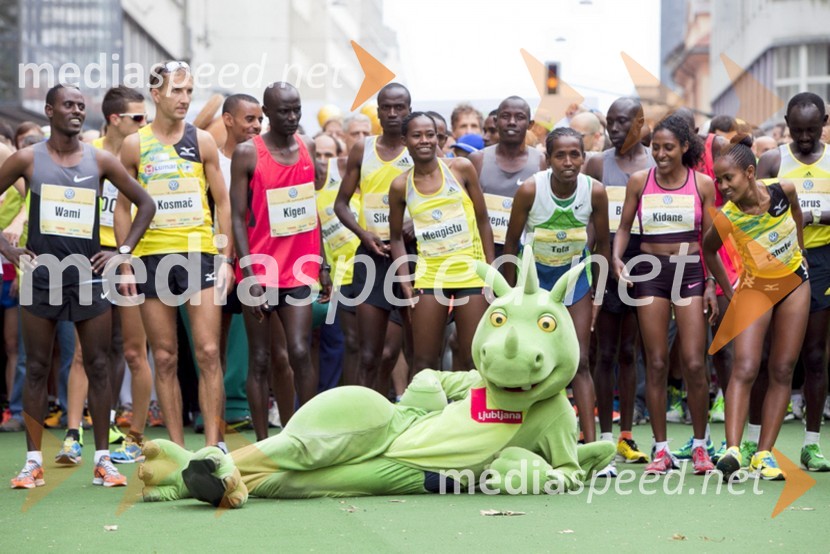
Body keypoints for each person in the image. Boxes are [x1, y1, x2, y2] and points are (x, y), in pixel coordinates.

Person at [3, 84, 155, 489]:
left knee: (99, 365)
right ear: (49, 111)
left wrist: (122, 250)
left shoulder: (101, 159)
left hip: (88, 277)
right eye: (68, 105)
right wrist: (9, 250)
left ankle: (103, 460)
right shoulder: (26, 159)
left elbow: (146, 203)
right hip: (42, 277)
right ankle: (33, 461)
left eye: (80, 106)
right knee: (37, 367)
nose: (75, 111)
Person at [118, 61, 234, 449]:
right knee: (165, 357)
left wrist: (225, 258)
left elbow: (222, 201)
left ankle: (214, 446)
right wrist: (125, 259)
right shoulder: (135, 144)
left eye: (189, 91)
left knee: (209, 350)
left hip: (199, 254)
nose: (185, 99)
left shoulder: (202, 141)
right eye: (176, 91)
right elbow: (121, 207)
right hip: (152, 259)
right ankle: (176, 450)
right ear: (156, 94)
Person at [613, 112, 718, 475]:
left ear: (685, 147)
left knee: (692, 361)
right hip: (651, 274)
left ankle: (701, 447)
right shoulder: (639, 182)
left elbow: (712, 242)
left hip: (689, 271)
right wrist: (615, 258)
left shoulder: (702, 184)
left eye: (668, 148)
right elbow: (624, 228)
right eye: (655, 147)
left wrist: (710, 284)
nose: (660, 154)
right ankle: (661, 450)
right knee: (655, 362)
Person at [58, 85, 154, 465]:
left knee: (133, 351)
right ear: (115, 119)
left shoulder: (148, 153)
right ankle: (72, 436)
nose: (146, 124)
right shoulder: (84, 153)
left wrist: (125, 252)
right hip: (89, 262)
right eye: (138, 118)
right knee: (85, 352)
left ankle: (136, 437)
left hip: (133, 261)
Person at [705, 137, 809, 480]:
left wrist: (802, 250)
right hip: (755, 288)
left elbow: (796, 214)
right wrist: (728, 290)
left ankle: (764, 455)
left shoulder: (783, 190)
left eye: (728, 179)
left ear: (750, 173)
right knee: (745, 366)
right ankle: (732, 450)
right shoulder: (727, 216)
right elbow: (708, 251)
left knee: (782, 368)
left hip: (794, 283)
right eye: (718, 180)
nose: (722, 186)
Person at [230, 82, 330, 440]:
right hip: (261, 270)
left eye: (296, 110)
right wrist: (248, 273)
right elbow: (237, 218)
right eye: (283, 111)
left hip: (299, 269)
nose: (291, 117)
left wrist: (324, 262)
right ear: (266, 114)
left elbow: (311, 210)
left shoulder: (309, 146)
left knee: (300, 351)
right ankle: (262, 443)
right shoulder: (247, 153)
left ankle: (305, 435)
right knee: (260, 358)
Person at [503, 127, 609, 448]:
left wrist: (598, 296)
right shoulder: (530, 191)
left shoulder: (595, 192)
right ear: (547, 159)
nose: (568, 161)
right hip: (534, 283)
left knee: (580, 360)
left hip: (574, 281)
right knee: (532, 360)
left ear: (584, 157)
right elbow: (510, 245)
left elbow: (603, 244)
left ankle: (590, 448)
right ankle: (530, 441)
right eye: (559, 155)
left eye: (574, 154)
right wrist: (511, 297)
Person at [756, 92, 830, 471]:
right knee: (766, 356)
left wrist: (813, 217)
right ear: (786, 122)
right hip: (775, 261)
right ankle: (753, 442)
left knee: (815, 356)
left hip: (820, 261)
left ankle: (811, 443)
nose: (804, 138)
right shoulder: (772, 159)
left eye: (812, 130)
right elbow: (750, 210)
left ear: (824, 123)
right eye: (797, 130)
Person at [389, 112, 494, 373]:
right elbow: (394, 237)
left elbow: (483, 221)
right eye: (417, 135)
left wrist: (491, 271)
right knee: (424, 361)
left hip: (472, 273)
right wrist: (405, 279)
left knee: (474, 360)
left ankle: (475, 413)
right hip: (430, 277)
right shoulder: (400, 185)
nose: (425, 140)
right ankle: (427, 414)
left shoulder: (461, 168)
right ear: (405, 140)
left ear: (439, 138)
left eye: (430, 134)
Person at [583, 97, 654, 467]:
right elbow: (591, 220)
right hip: (605, 260)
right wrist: (596, 261)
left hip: (645, 263)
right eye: (609, 122)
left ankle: (626, 435)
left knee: (631, 352)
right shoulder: (598, 163)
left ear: (640, 123)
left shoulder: (656, 164)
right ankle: (603, 437)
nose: (613, 129)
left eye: (622, 122)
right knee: (603, 351)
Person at [334, 83, 413, 392]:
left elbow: (444, 202)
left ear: (409, 109)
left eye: (399, 107)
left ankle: (387, 413)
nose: (392, 113)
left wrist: (415, 227)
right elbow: (341, 204)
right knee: (369, 354)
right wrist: (362, 233)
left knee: (393, 352)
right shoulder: (362, 149)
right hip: (372, 257)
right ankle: (365, 417)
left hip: (411, 257)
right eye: (386, 107)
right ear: (378, 111)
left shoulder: (419, 148)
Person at [469, 96, 545, 258]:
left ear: (530, 125)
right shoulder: (477, 159)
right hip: (484, 250)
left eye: (520, 117)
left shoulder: (541, 161)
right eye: (505, 116)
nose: (512, 122)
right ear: (496, 122)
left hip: (526, 252)